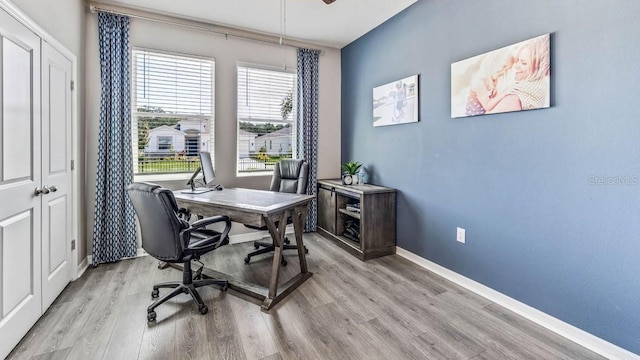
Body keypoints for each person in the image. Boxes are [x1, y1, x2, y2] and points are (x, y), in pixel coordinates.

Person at [466, 35, 550, 115]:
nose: (503, 72)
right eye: (503, 68)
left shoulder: (497, 81)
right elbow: (488, 106)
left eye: (507, 69)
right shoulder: (479, 82)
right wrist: (505, 92)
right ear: (492, 65)